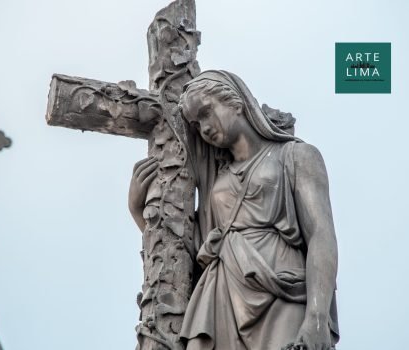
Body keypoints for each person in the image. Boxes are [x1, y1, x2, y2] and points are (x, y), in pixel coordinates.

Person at [129, 70, 339, 350]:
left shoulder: (296, 157)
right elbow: (185, 255)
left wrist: (317, 317)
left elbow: (321, 236)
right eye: (196, 123)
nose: (203, 128)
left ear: (235, 101)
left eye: (206, 113)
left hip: (281, 291)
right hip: (219, 295)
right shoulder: (217, 182)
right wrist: (138, 211)